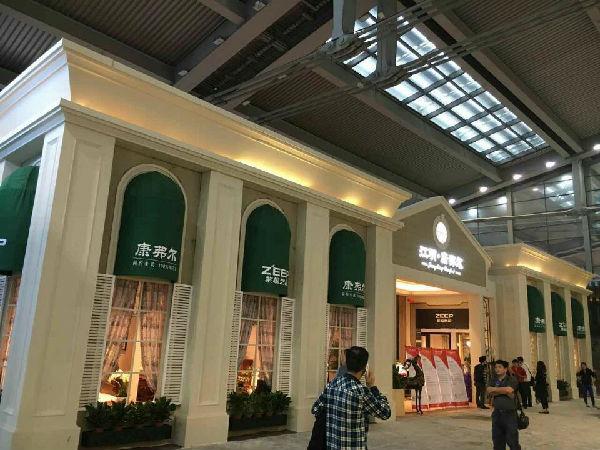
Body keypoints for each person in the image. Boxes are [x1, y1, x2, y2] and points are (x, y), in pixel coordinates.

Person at [311, 346, 391, 450]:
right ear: (364, 368)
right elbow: (385, 413)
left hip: (332, 445)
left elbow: (315, 409)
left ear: (346, 364)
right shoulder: (361, 392)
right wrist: (372, 387)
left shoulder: (332, 384)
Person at [487, 360, 521, 450]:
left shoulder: (511, 379)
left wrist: (495, 390)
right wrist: (504, 391)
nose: (497, 369)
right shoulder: (493, 380)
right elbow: (489, 390)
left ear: (505, 369)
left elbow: (509, 390)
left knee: (512, 440)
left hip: (509, 413)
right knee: (497, 440)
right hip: (497, 413)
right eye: (496, 367)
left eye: (500, 367)